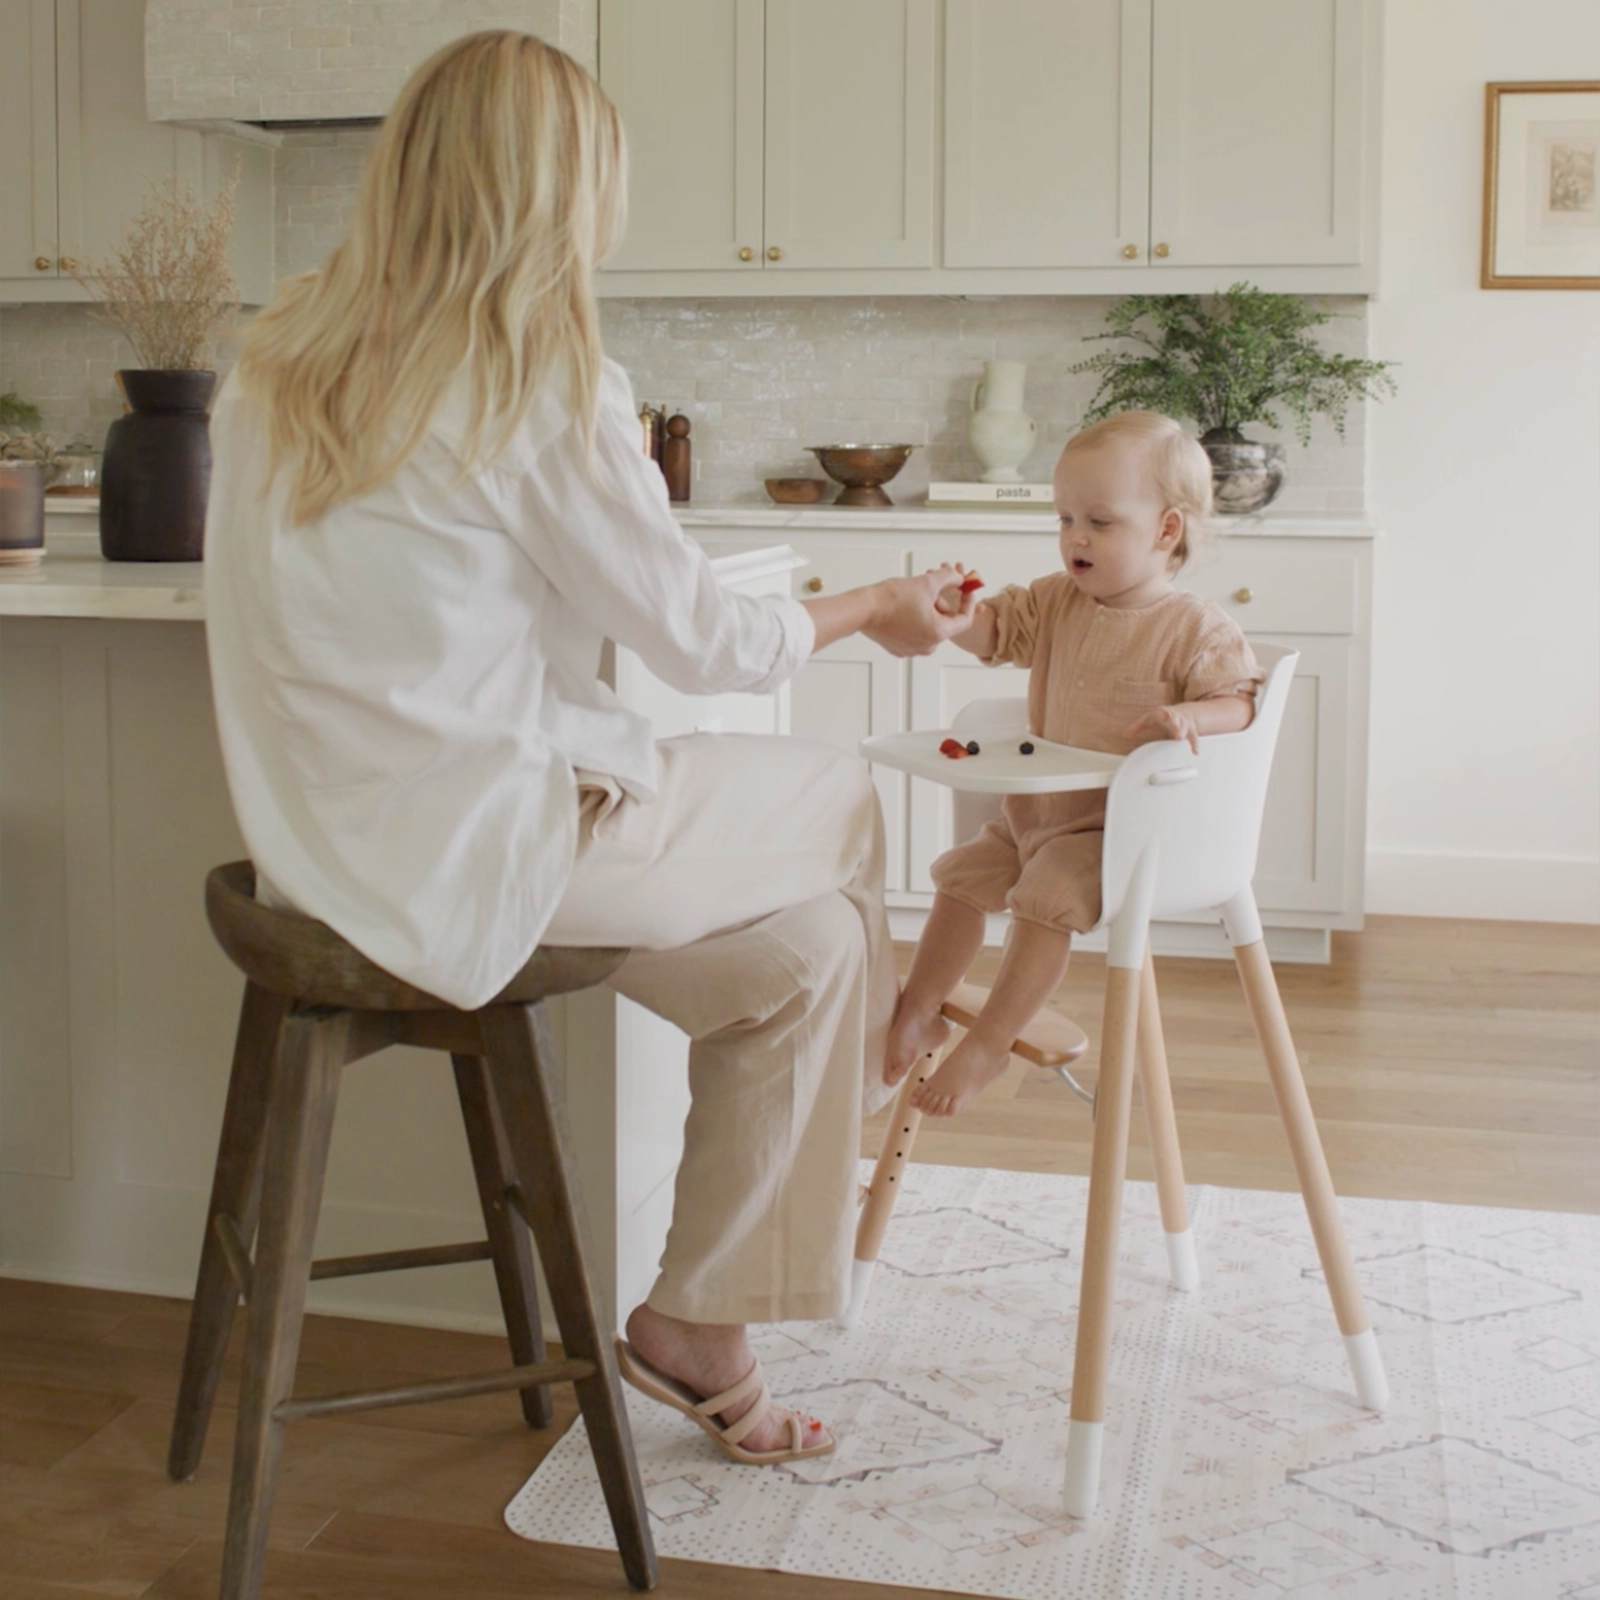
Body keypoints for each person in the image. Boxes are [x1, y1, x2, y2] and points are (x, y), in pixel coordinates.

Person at [203, 31, 978, 1466]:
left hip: (326, 860)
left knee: (805, 952)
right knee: (844, 797)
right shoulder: (539, 380)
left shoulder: (278, 353)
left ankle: (702, 1319)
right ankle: (901, 1056)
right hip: (484, 855)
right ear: (566, 195)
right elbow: (704, 640)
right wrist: (878, 606)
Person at [883, 411, 1262, 1117]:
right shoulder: (1057, 600)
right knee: (963, 876)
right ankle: (918, 1006)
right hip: (1035, 816)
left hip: (1117, 836)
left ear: (1166, 530)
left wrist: (1192, 717)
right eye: (1063, 519)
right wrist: (960, 615)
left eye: (1099, 521)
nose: (1074, 538)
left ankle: (992, 1042)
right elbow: (1001, 633)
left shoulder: (1195, 628)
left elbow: (1240, 702)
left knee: (1044, 897)